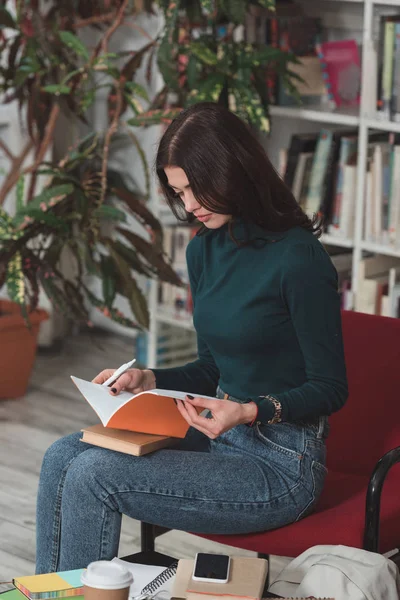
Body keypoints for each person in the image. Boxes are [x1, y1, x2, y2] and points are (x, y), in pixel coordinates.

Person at [36, 102, 348, 573]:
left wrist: (248, 410)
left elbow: (331, 388)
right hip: (217, 438)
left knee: (93, 475)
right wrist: (147, 377)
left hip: (282, 464)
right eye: (178, 192)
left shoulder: (298, 258)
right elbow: (211, 368)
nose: (188, 205)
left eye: (194, 189)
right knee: (63, 455)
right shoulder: (204, 249)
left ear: (233, 171)